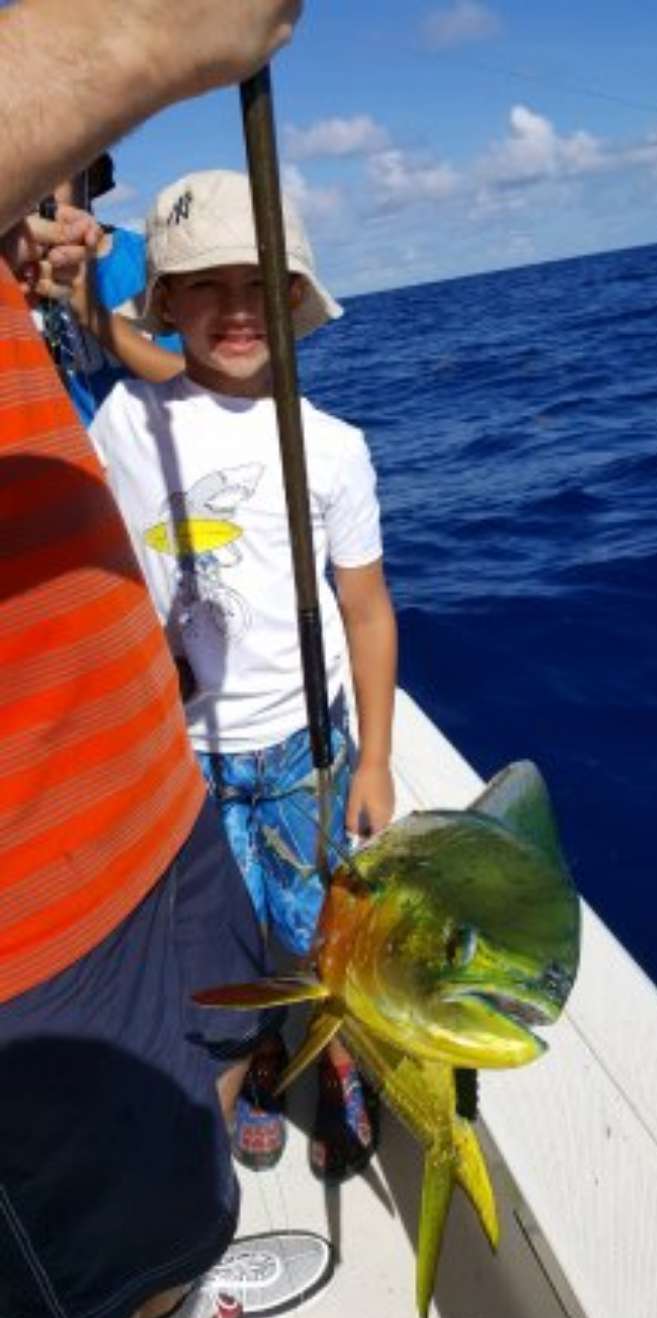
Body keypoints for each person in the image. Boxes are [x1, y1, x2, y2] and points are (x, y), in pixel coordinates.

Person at [0, 2, 303, 1318]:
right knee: (70, 1313)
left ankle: (166, 1286)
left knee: (213, 1065)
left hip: (147, 794)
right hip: (31, 908)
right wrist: (134, 33)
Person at [90, 168, 398, 1181]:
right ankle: (264, 1051)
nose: (235, 309)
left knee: (320, 934)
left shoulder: (335, 448)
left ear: (294, 296)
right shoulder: (126, 422)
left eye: (259, 283)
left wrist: (375, 761)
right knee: (219, 948)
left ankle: (337, 1053)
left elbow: (367, 609)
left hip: (306, 749)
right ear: (166, 302)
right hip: (184, 755)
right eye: (204, 286)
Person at [44, 152, 184, 424]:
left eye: (52, 171)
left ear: (88, 178)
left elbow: (198, 384)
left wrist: (91, 313)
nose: (35, 191)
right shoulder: (13, 279)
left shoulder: (151, 261)